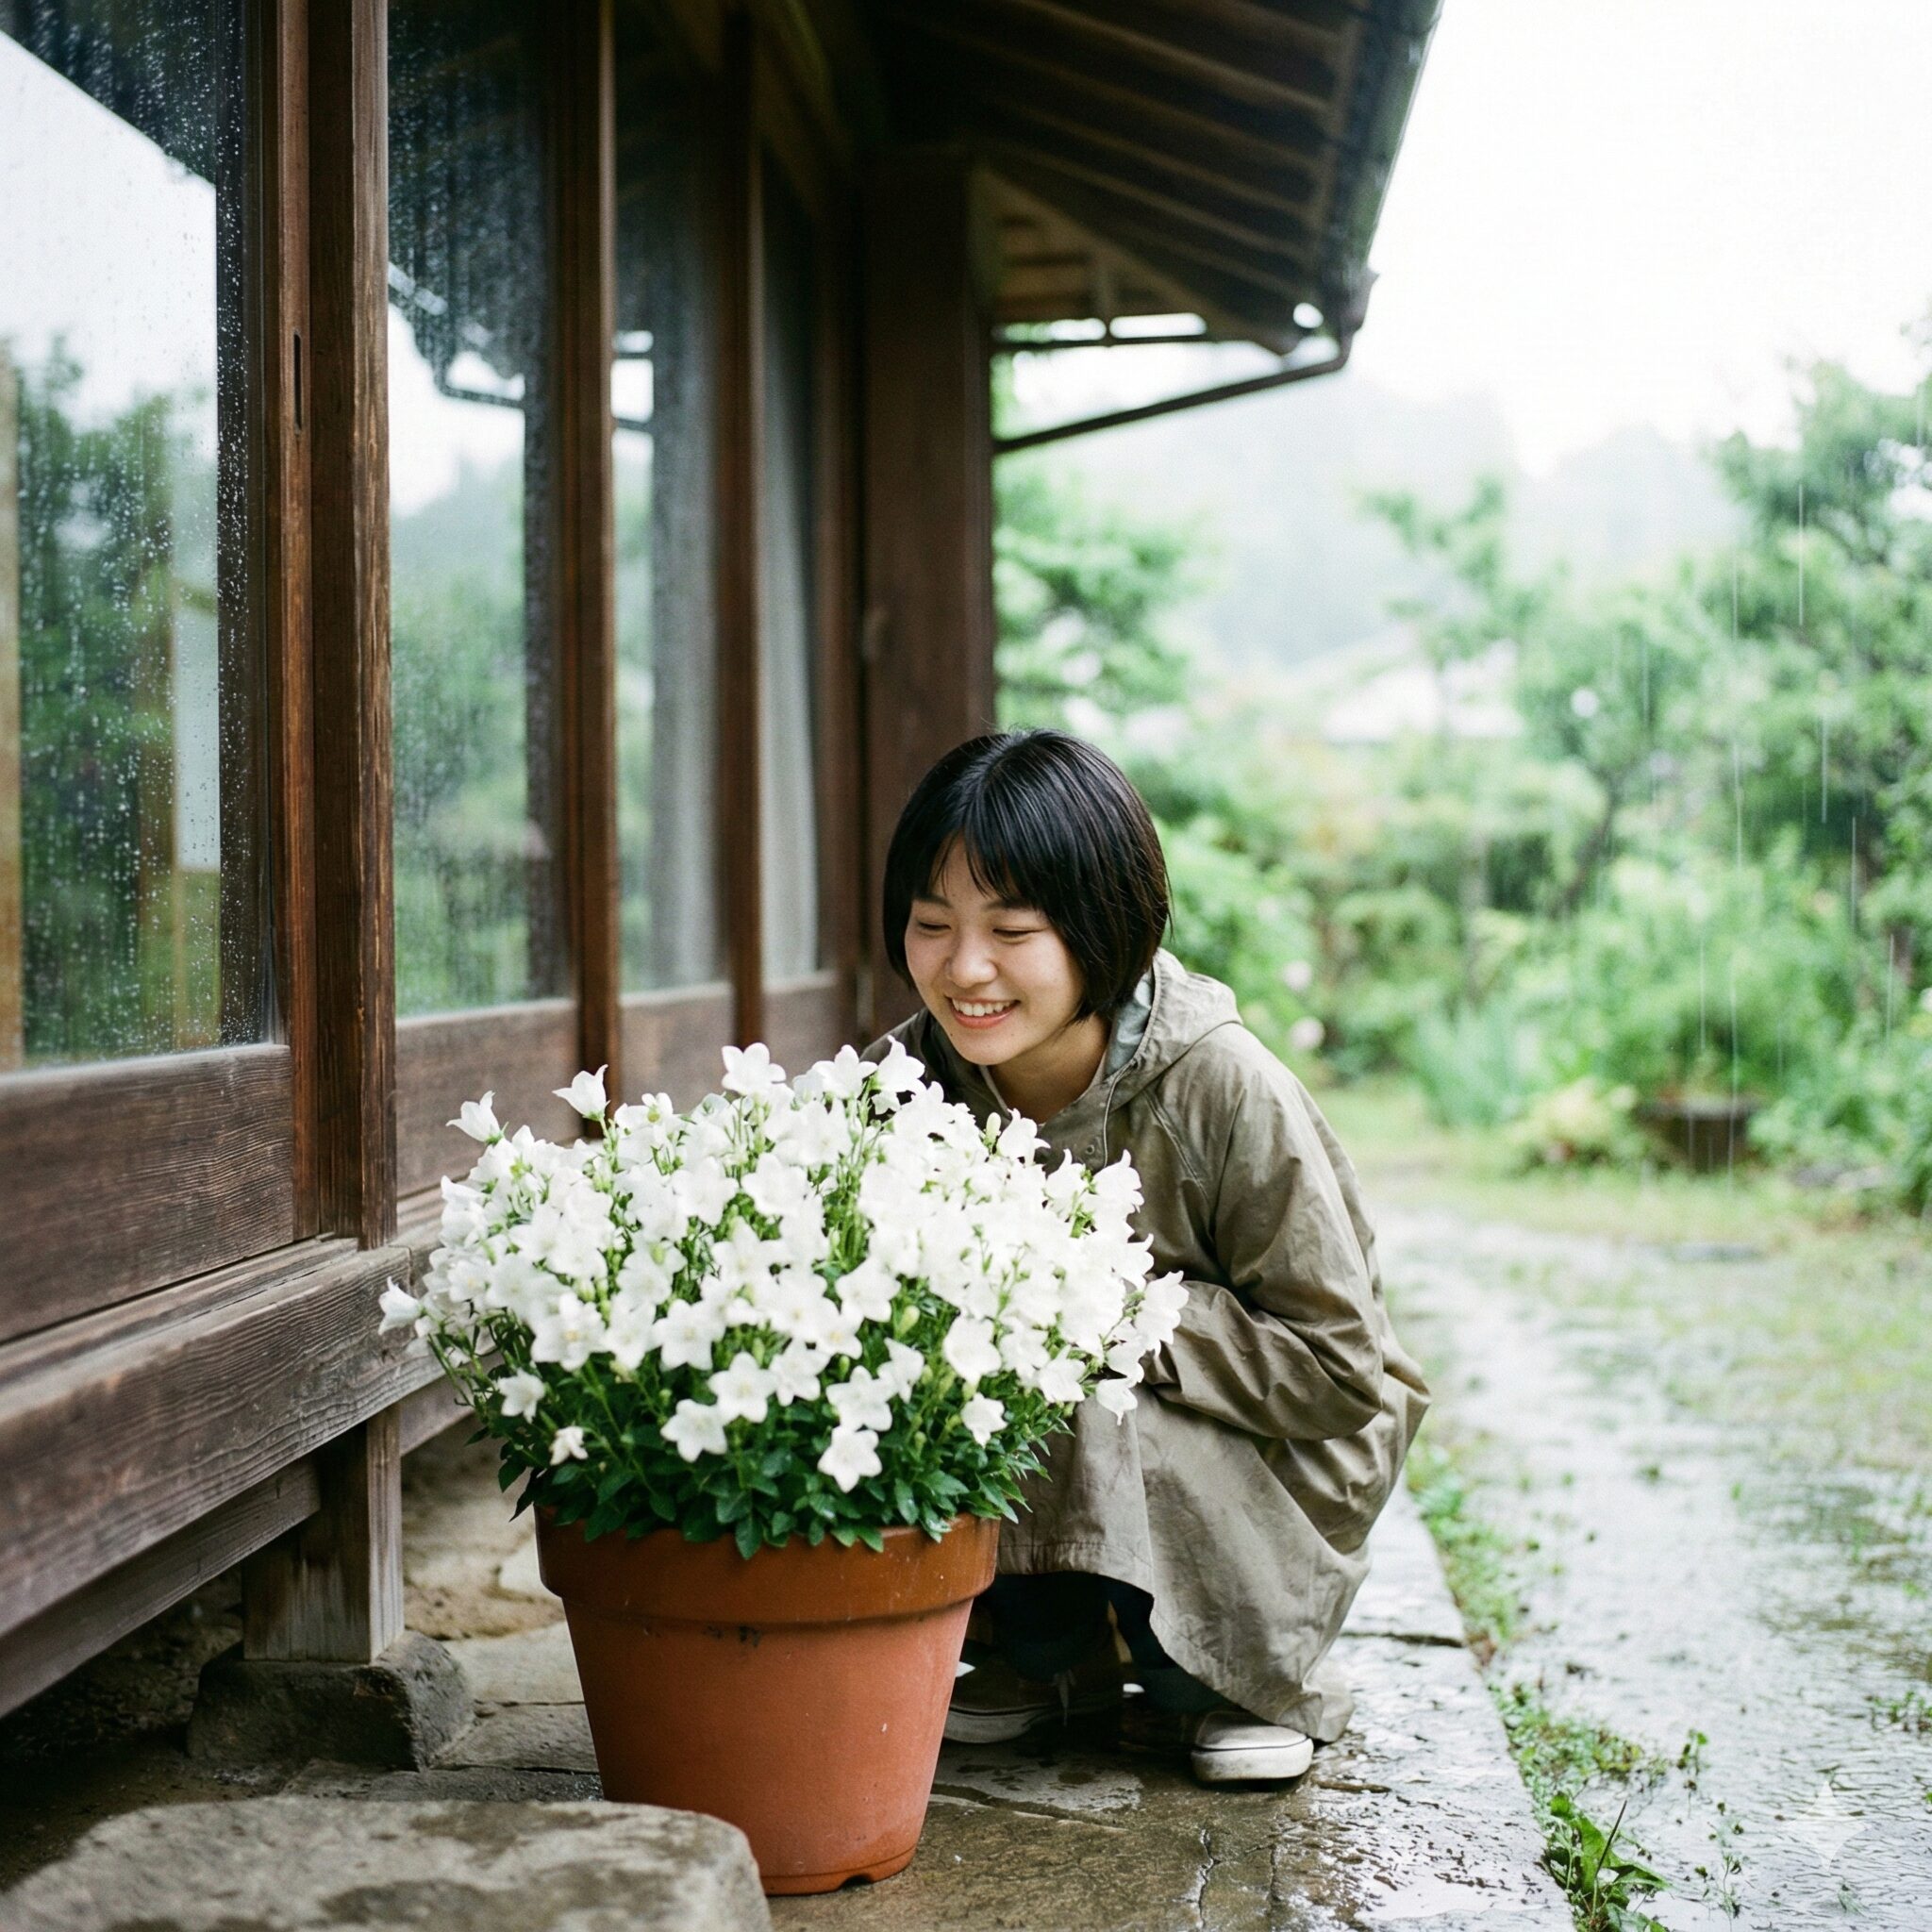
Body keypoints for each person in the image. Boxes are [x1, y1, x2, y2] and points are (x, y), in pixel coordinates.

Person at [862, 728, 1429, 1785]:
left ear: (1103, 930)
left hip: (1272, 1454)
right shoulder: (901, 1083)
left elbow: (1341, 1370)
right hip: (1096, 1437)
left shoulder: (1221, 1083)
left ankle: (1217, 1677)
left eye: (1012, 930)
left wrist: (1107, 1302)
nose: (963, 966)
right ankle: (1040, 1659)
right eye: (930, 923)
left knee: (1080, 1370)